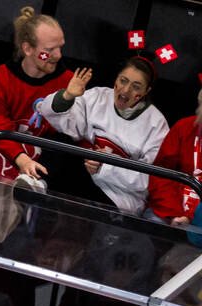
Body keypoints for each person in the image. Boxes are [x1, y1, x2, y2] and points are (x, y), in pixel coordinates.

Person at [34, 56, 170, 215]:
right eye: (123, 80)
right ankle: (36, 183)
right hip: (80, 175)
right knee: (59, 141)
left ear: (146, 91)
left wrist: (106, 165)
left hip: (117, 194)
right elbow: (65, 124)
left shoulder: (157, 124)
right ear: (116, 79)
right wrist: (68, 96)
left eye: (136, 86)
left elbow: (149, 181)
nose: (125, 90)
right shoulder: (97, 96)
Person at [0, 8, 74, 187]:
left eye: (61, 47)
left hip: (47, 162)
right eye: (50, 50)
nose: (58, 55)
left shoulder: (70, 83)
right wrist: (22, 159)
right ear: (27, 48)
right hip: (2, 150)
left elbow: (71, 134)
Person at [146, 81, 202, 224]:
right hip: (171, 213)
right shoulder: (184, 128)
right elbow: (161, 174)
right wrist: (174, 215)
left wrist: (192, 218)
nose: (199, 110)